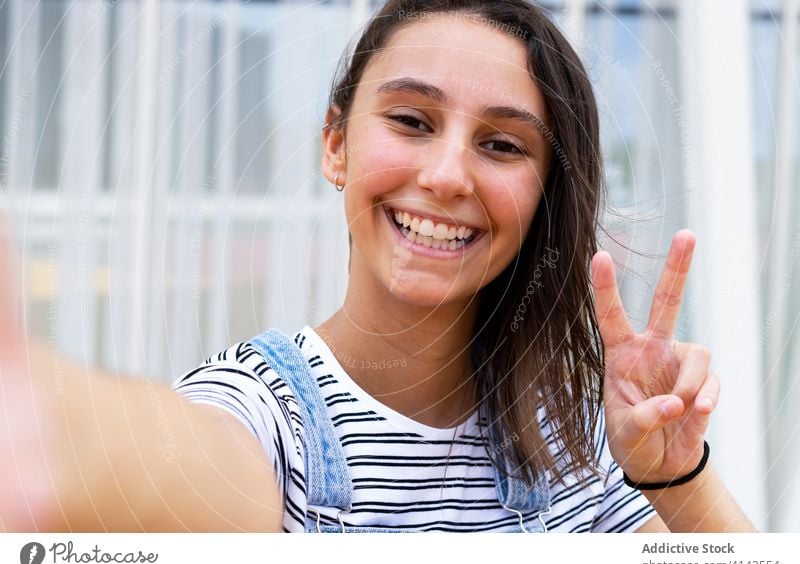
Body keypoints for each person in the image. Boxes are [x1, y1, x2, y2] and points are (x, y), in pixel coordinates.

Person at [0, 0, 754, 533]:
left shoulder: (578, 431)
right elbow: (200, 467)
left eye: (502, 144)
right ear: (336, 144)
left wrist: (675, 476)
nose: (449, 175)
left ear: (543, 191)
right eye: (411, 121)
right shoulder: (265, 413)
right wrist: (44, 428)